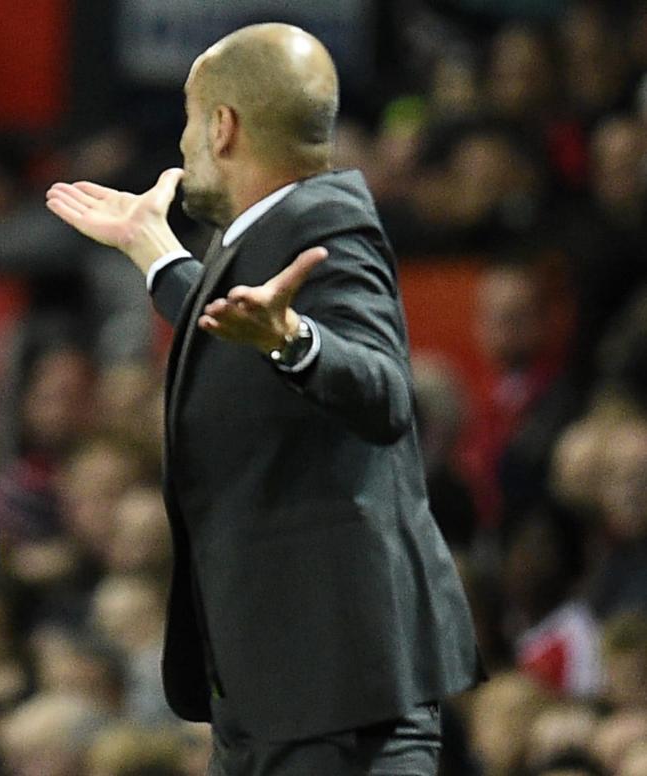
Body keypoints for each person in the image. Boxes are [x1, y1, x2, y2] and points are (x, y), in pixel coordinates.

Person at [46, 23, 482, 775]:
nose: (181, 144)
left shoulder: (327, 225)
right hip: (282, 687)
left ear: (223, 126)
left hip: (335, 696)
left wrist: (295, 340)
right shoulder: (266, 236)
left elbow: (383, 392)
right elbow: (236, 326)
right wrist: (157, 256)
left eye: (189, 118)